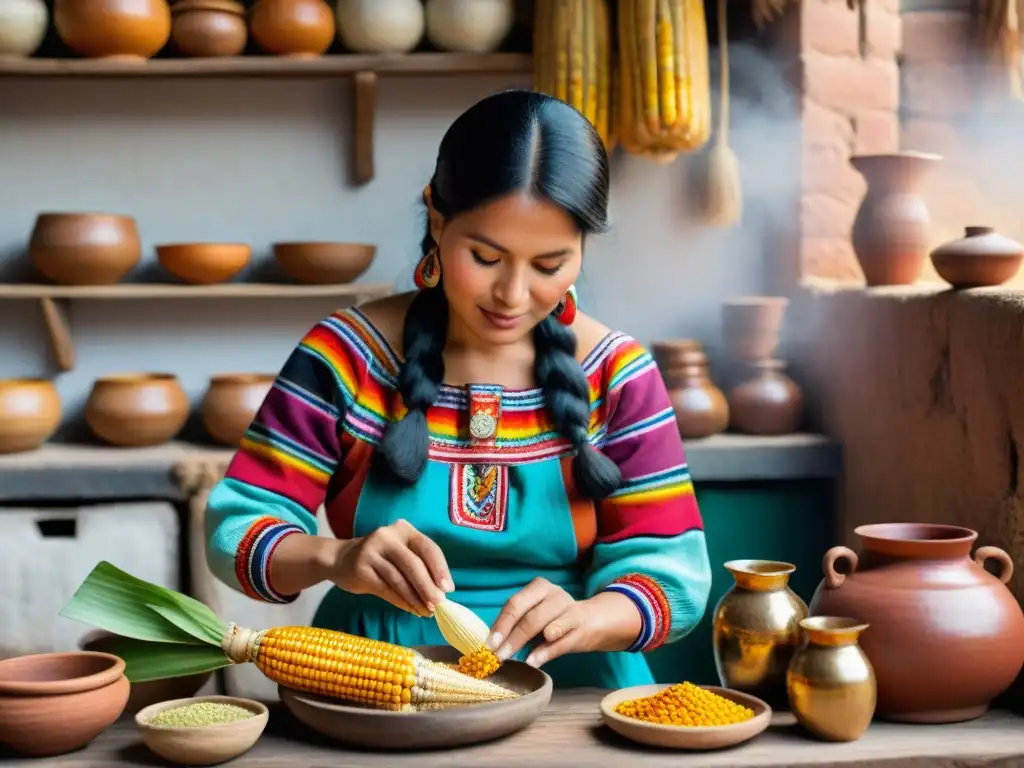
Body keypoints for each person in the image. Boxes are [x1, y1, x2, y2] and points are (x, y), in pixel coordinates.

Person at [205, 89, 712, 689]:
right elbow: (234, 533)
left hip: (575, 681)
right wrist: (334, 558)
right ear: (437, 220)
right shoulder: (346, 357)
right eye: (486, 256)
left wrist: (592, 618)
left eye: (549, 265)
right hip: (372, 679)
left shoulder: (618, 373)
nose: (513, 295)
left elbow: (672, 573)